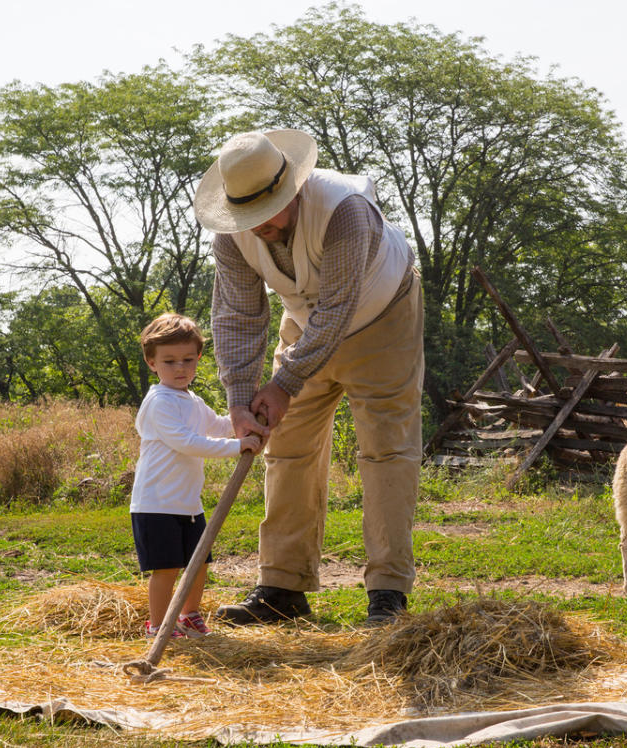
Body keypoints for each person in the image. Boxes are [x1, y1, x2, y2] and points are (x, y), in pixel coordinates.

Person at [194, 129, 424, 626]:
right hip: (304, 323)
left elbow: (339, 308)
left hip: (383, 318)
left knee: (386, 451)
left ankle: (388, 594)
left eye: (267, 212)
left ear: (293, 188)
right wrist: (240, 399)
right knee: (287, 447)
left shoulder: (346, 210)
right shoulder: (233, 234)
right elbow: (237, 316)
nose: (258, 226)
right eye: (247, 217)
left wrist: (283, 384)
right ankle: (283, 587)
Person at [130, 312, 262, 639]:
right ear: (152, 363)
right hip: (157, 504)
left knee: (198, 564)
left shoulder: (191, 400)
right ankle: (158, 625)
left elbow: (216, 425)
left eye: (188, 360)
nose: (180, 368)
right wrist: (237, 446)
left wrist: (245, 420)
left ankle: (189, 615)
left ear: (199, 358)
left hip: (188, 505)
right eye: (170, 361)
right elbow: (187, 443)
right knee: (166, 569)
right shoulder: (159, 402)